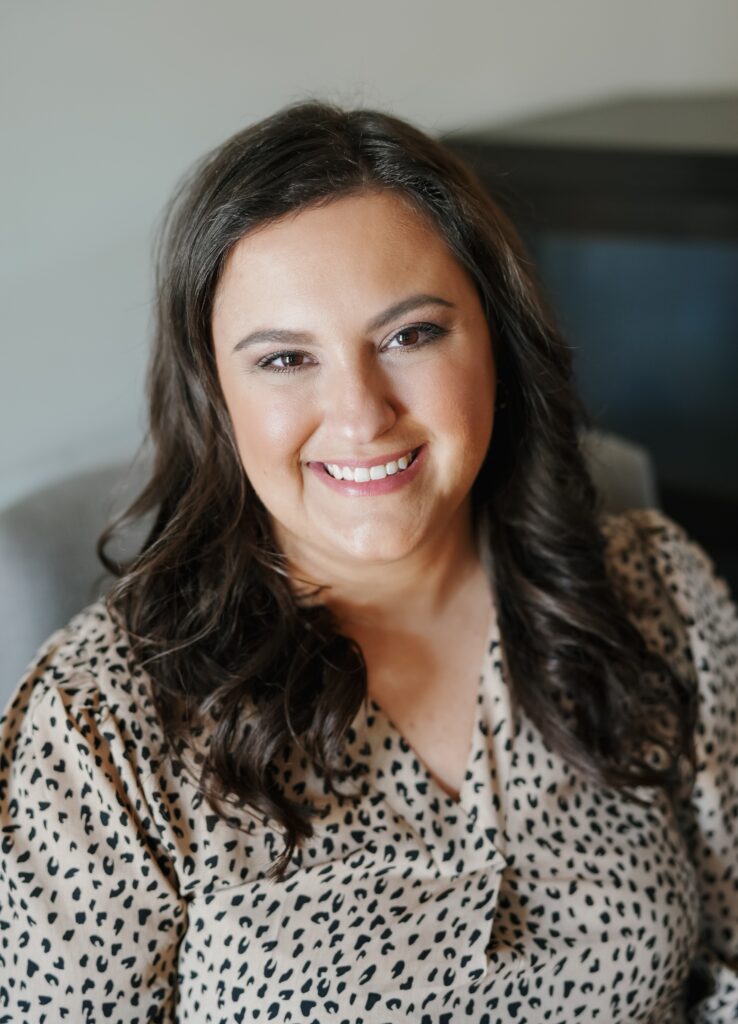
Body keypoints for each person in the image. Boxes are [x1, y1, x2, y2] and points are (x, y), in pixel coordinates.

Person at [0, 100, 736, 1024]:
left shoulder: (658, 593)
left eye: (408, 336)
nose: (360, 414)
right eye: (283, 360)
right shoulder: (100, 722)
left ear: (496, 342)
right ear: (213, 394)